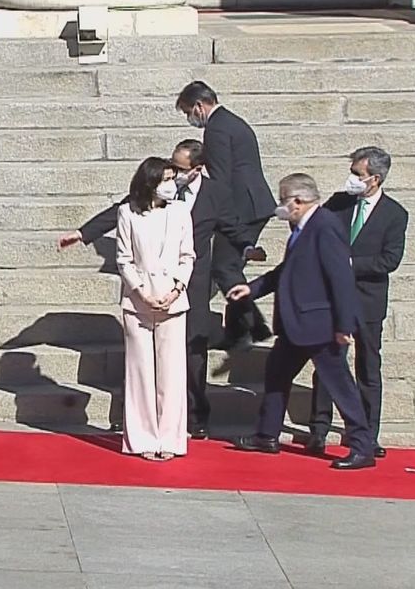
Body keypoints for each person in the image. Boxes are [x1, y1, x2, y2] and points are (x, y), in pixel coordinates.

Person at [60, 139, 263, 439]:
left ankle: (195, 415)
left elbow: (232, 227)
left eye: (180, 168)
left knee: (192, 350)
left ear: (197, 169)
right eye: (172, 165)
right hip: (151, 282)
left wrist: (249, 248)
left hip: (189, 282)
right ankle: (144, 418)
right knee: (145, 355)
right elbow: (122, 208)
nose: (173, 173)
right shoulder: (158, 188)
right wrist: (83, 233)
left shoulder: (215, 194)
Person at [226, 173, 377, 470]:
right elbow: (288, 270)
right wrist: (253, 289)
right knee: (276, 376)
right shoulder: (301, 228)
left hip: (320, 325)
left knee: (340, 387)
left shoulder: (325, 226)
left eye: (283, 200)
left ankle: (363, 446)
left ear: (297, 201)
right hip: (296, 325)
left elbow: (341, 278)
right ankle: (267, 435)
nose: (280, 206)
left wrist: (343, 326)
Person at [307, 147, 408, 458]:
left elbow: (389, 260)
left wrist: (349, 264)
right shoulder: (339, 204)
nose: (352, 179)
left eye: (358, 174)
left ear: (375, 179)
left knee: (368, 367)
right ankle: (319, 430)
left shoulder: (394, 214)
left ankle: (364, 433)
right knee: (328, 363)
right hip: (332, 299)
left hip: (367, 300)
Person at [176, 81, 276, 351]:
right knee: (228, 266)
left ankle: (249, 328)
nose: (191, 118)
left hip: (242, 207)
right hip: (252, 202)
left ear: (199, 106)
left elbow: (220, 178)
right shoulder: (231, 121)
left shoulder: (217, 129)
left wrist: (213, 212)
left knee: (225, 267)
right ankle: (242, 328)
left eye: (189, 111)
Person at [114, 157, 196, 461]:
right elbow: (124, 259)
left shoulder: (180, 212)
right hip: (138, 302)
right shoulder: (128, 213)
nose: (170, 185)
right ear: (149, 182)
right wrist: (142, 293)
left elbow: (187, 256)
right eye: (164, 179)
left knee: (172, 373)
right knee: (140, 372)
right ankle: (142, 439)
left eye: (173, 178)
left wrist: (176, 288)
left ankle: (171, 440)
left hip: (173, 301)